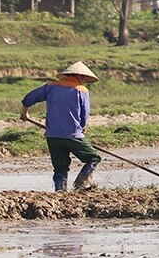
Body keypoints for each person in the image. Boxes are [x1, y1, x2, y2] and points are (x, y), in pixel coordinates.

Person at [21, 61, 102, 191]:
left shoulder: (51, 86)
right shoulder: (81, 91)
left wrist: (25, 113)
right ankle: (81, 184)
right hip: (72, 135)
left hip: (52, 135)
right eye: (85, 78)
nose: (85, 81)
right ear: (79, 76)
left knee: (60, 167)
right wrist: (81, 128)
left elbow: (29, 98)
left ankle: (60, 193)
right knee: (94, 158)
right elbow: (84, 114)